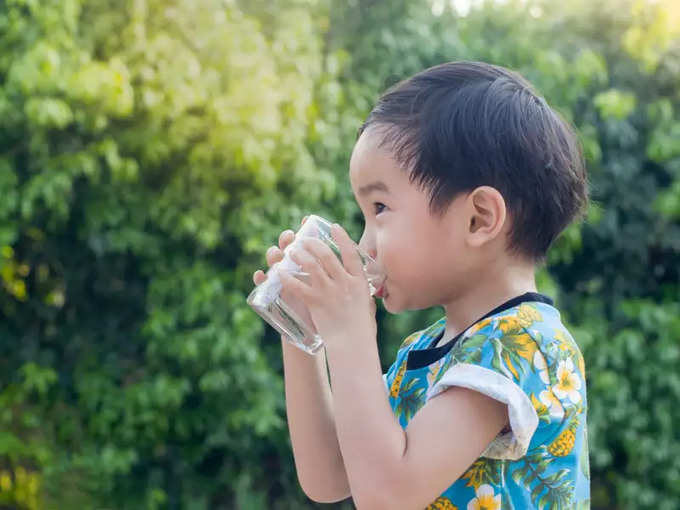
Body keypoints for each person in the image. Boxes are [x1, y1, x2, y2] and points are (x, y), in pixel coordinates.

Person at [253, 61, 590, 509]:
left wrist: (351, 335)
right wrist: (303, 331)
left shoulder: (524, 345)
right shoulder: (425, 350)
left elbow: (387, 495)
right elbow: (331, 475)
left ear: (478, 219)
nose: (363, 244)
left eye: (380, 208)